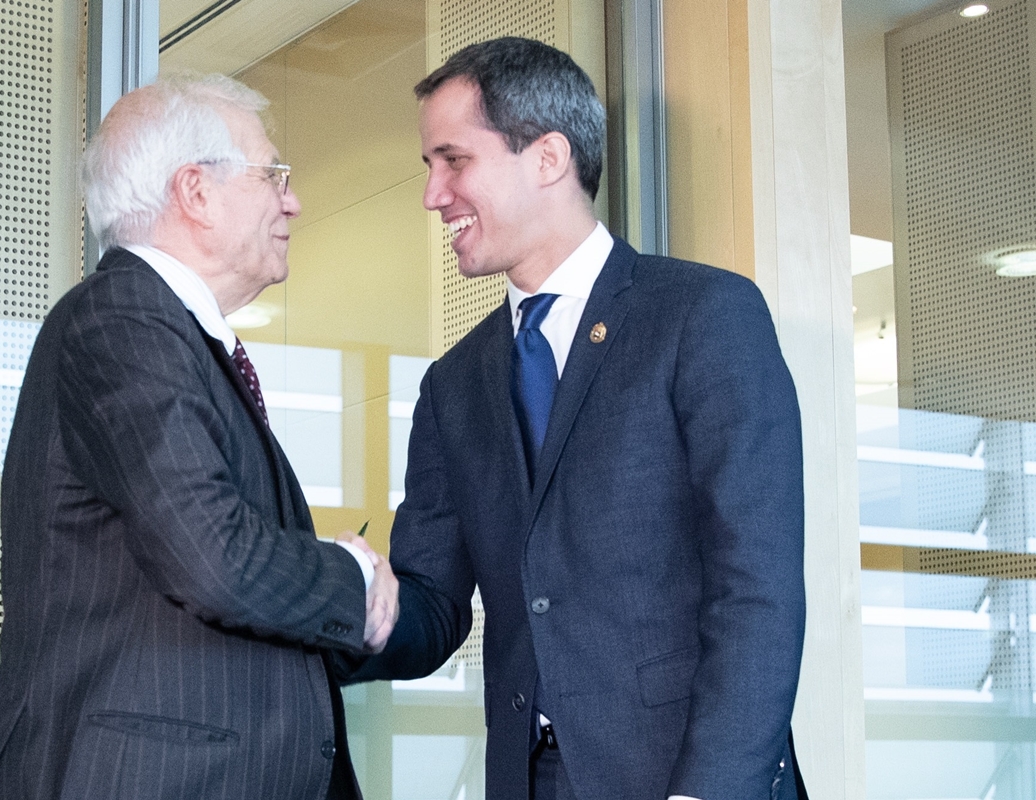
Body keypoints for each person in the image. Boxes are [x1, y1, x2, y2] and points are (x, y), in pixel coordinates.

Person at [337, 37, 806, 800]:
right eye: (430, 166)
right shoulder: (453, 385)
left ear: (548, 157)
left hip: (686, 779)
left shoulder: (703, 316)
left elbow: (756, 587)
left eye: (454, 161)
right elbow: (431, 603)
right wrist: (322, 603)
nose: (432, 195)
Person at [0, 73, 397, 800]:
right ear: (194, 191)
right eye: (274, 175)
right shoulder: (122, 317)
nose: (293, 201)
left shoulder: (169, 334)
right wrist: (350, 579)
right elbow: (214, 558)